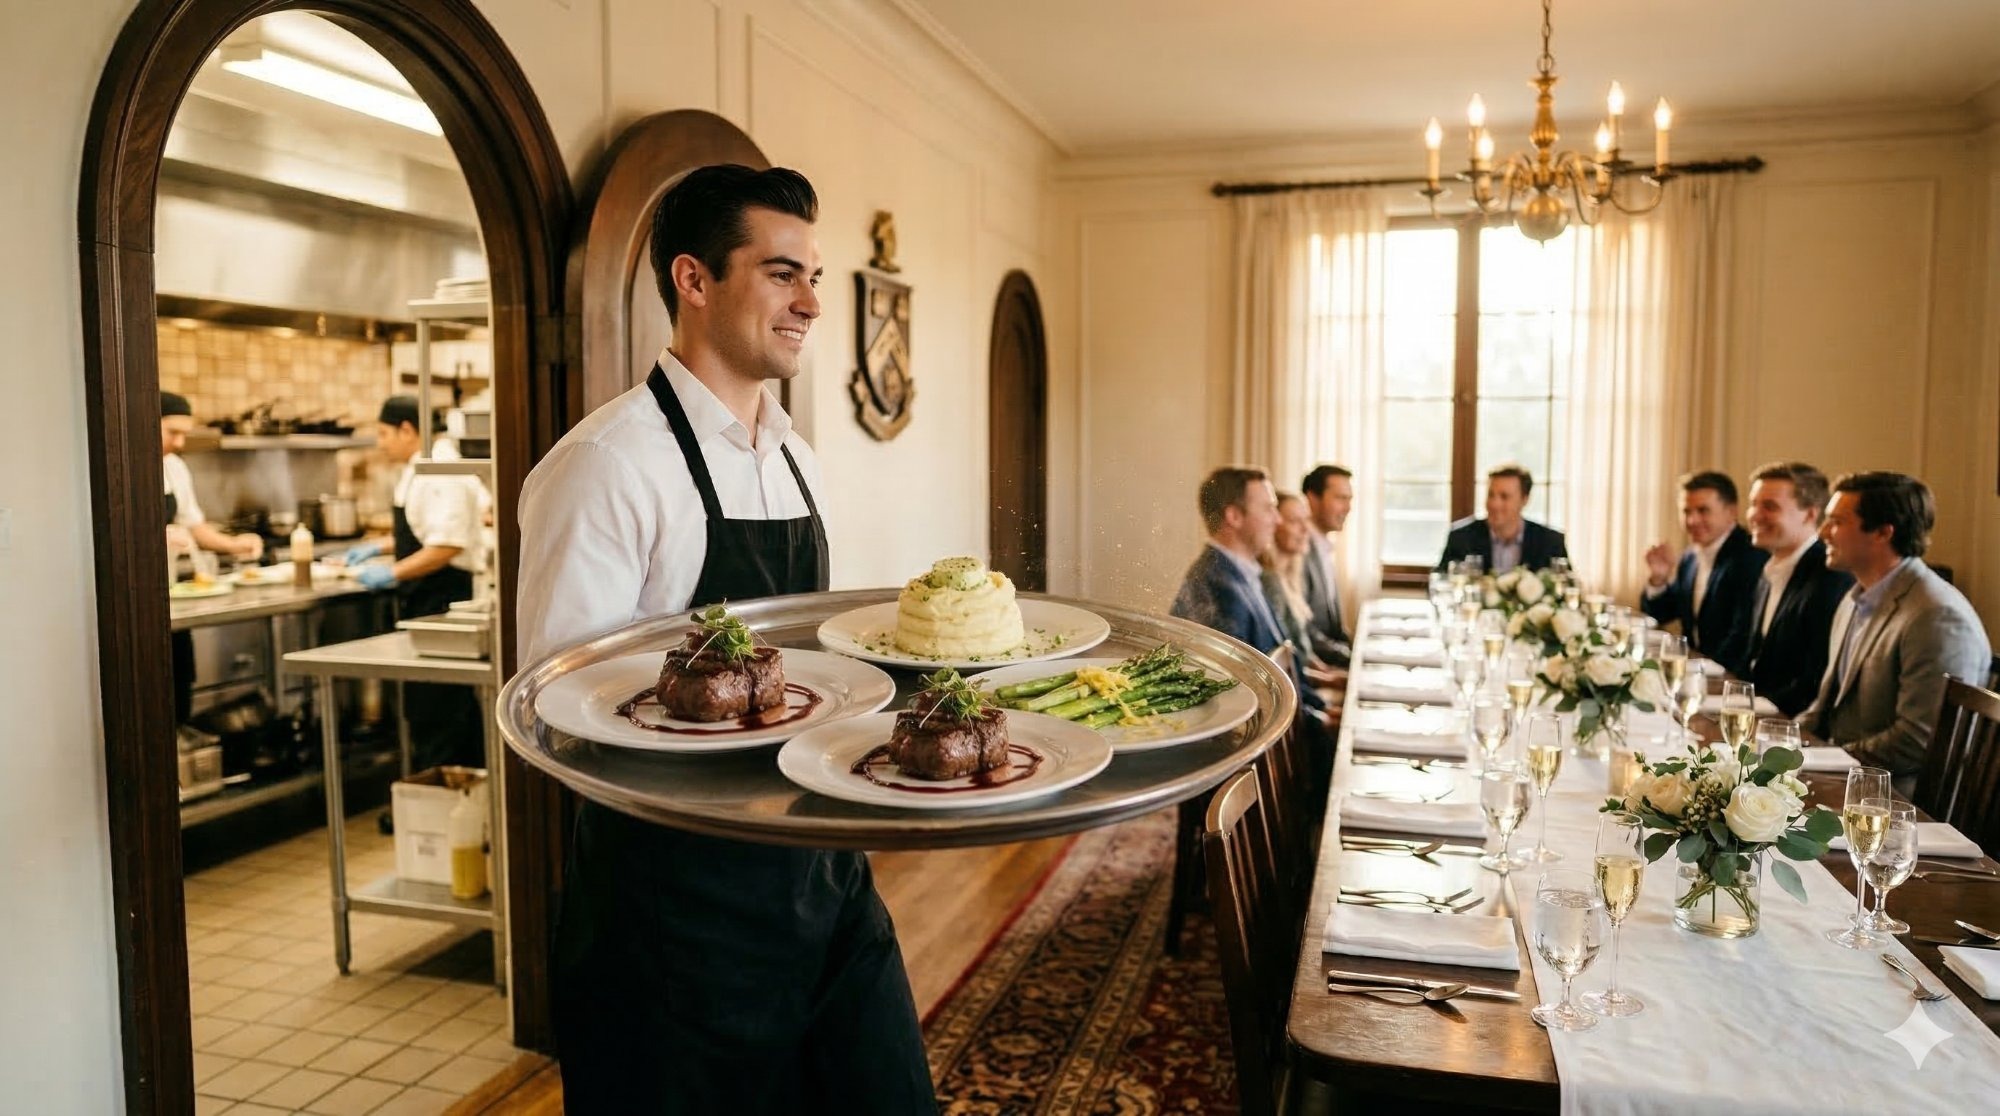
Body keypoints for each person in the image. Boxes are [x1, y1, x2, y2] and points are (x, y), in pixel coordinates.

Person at [514, 166, 934, 1114]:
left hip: (821, 874)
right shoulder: (605, 466)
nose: (813, 304)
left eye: (816, 278)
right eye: (784, 274)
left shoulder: (797, 459)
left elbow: (819, 668)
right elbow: (552, 715)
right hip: (674, 914)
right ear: (694, 281)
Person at [1800, 472, 1990, 788]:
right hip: (1842, 775)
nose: (1822, 533)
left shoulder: (1937, 616)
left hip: (1894, 800)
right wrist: (1777, 748)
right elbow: (1824, 708)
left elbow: (1916, 741)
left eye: (1836, 522)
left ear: (1883, 533)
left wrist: (1826, 761)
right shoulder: (1854, 598)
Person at [343, 395, 486, 770]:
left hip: (442, 599)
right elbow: (426, 532)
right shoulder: (417, 468)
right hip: (422, 598)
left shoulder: (440, 470)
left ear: (408, 430)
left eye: (384, 433)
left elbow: (447, 545)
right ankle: (452, 797)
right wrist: (378, 547)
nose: (380, 443)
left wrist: (390, 572)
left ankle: (447, 802)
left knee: (437, 710)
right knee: (435, 707)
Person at [1169, 467, 1327, 716]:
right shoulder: (1218, 586)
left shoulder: (1242, 574)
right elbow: (1248, 699)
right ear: (1234, 516)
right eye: (1268, 508)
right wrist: (1322, 722)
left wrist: (1323, 711)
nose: (1277, 520)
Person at [161, 392, 262, 723]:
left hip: (170, 593)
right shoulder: (119, 467)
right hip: (132, 601)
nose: (179, 442)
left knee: (177, 682)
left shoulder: (174, 467)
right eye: (171, 432)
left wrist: (236, 545)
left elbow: (195, 526)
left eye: (184, 434)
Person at [1743, 462, 1852, 717]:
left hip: (1789, 730)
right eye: (1753, 503)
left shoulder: (1830, 578)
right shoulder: (1770, 567)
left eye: (1769, 506)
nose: (1755, 515)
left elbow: (1815, 682)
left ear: (1810, 515)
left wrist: (1750, 712)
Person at [1641, 470, 1766, 677]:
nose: (1692, 520)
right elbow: (1658, 616)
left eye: (1703, 510)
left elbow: (1742, 637)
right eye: (1686, 511)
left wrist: (1698, 673)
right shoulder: (1690, 556)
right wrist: (1658, 579)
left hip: (1727, 679)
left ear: (1732, 511)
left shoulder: (1750, 557)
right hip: (1696, 674)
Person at [1261, 493, 1343, 691]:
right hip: (1299, 690)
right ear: (1274, 526)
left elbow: (1302, 646)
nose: (1305, 529)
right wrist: (1328, 680)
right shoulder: (1269, 581)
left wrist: (1324, 669)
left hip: (1307, 682)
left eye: (1305, 520)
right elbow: (1279, 662)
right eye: (1294, 521)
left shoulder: (1288, 577)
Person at [1434, 463, 1567, 574]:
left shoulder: (1551, 542)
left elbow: (1566, 591)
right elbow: (1438, 583)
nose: (1494, 504)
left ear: (1524, 500)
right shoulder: (1461, 538)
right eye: (1491, 495)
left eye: (1504, 497)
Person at [1299, 464, 1353, 669]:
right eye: (1340, 498)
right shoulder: (1299, 551)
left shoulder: (1323, 545)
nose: (1347, 508)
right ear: (1313, 498)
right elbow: (1303, 627)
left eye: (1349, 499)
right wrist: (1349, 657)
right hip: (1319, 667)